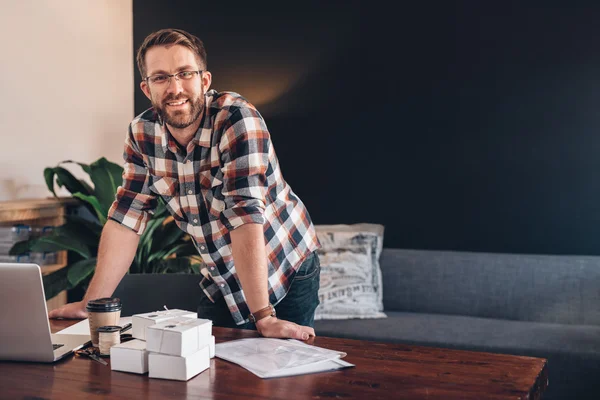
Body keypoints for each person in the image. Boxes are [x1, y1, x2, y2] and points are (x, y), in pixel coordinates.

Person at [49, 28, 321, 340]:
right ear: (147, 88)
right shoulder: (142, 134)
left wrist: (263, 316)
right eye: (161, 77)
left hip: (285, 264)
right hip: (222, 274)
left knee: (284, 380)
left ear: (204, 81)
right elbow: (127, 218)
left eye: (185, 73)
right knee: (208, 372)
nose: (175, 87)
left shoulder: (237, 119)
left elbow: (245, 216)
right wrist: (91, 304)